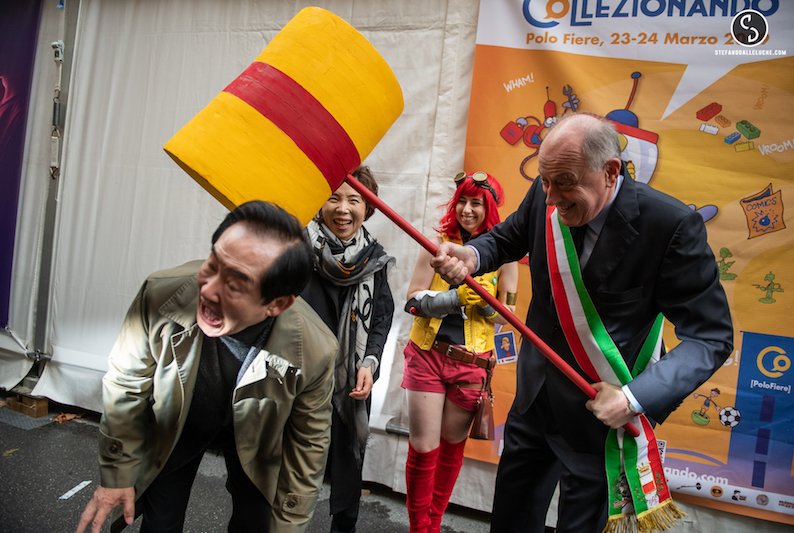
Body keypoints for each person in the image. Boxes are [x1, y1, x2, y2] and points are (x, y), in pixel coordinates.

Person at [431, 113, 733, 533]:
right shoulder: (548, 194)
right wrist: (474, 255)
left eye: (565, 183)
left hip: (601, 415)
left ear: (610, 172)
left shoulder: (670, 226)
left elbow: (711, 337)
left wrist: (632, 398)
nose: (551, 198)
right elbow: (508, 238)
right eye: (545, 181)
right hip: (534, 398)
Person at [76, 201, 339, 533]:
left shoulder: (315, 349)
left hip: (259, 438)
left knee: (256, 522)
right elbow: (126, 384)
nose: (208, 290)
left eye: (236, 284)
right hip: (180, 420)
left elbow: (309, 441)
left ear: (278, 303)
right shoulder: (160, 294)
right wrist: (117, 473)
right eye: (213, 264)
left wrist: (290, 525)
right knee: (160, 520)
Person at [402, 171, 518, 533]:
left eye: (476, 203)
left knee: (451, 450)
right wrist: (453, 300)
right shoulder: (436, 244)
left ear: (491, 209)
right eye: (462, 202)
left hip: (472, 364)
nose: (467, 210)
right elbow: (412, 300)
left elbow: (508, 316)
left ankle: (434, 524)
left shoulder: (506, 257)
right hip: (427, 354)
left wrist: (483, 303)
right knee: (423, 449)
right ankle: (419, 529)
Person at [299, 166, 395, 533]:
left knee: (348, 459)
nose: (342, 209)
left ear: (367, 208)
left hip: (350, 377)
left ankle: (344, 526)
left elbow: (381, 318)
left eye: (353, 199)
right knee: (288, 462)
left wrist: (369, 363)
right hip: (298, 374)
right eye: (333, 198)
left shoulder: (374, 259)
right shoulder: (299, 249)